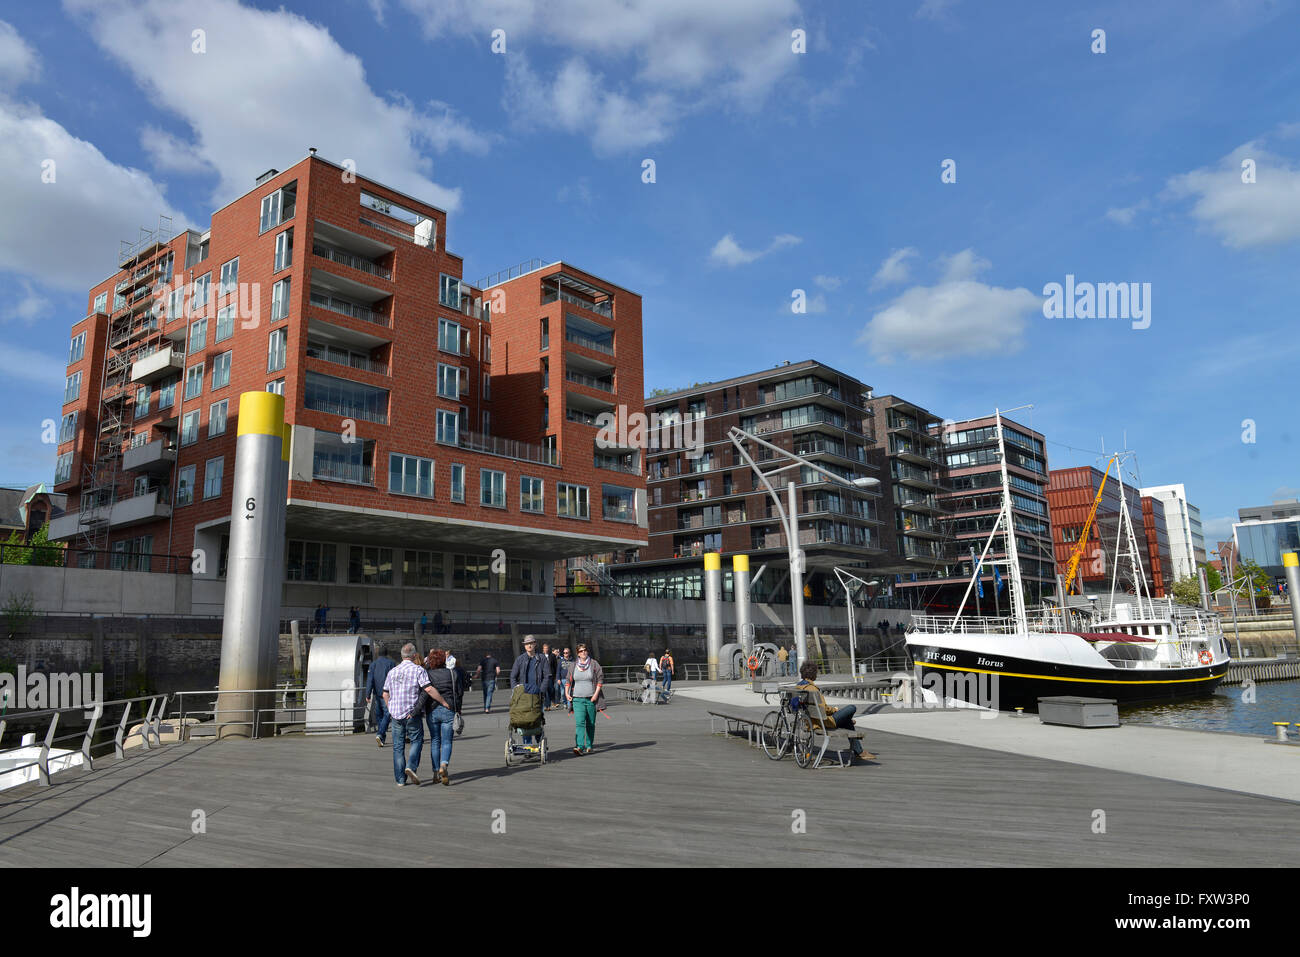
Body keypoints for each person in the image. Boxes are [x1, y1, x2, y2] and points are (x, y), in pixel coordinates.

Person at [382, 643, 450, 787]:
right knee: (417, 740)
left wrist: (390, 709)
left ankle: (400, 780)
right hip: (412, 713)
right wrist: (443, 701)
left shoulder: (392, 672)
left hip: (396, 715)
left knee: (398, 747)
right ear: (414, 656)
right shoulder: (418, 670)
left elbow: (385, 694)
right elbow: (429, 689)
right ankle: (411, 766)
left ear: (401, 655)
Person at [796, 661, 870, 764]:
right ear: (813, 674)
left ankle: (859, 751)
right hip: (823, 722)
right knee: (851, 708)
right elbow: (823, 710)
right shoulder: (812, 689)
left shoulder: (798, 687)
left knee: (847, 720)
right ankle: (859, 751)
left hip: (809, 722)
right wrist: (834, 710)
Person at [423, 649, 458, 786]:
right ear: (444, 660)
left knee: (435, 741)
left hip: (432, 711)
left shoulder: (427, 674)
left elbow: (425, 692)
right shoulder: (451, 673)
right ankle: (444, 765)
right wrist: (457, 708)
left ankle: (435, 772)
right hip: (448, 708)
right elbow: (458, 692)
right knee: (447, 741)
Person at [565, 643, 605, 755]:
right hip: (577, 699)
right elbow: (568, 680)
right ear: (577, 653)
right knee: (579, 722)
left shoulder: (594, 664)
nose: (583, 652)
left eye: (585, 650)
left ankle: (589, 745)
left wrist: (596, 695)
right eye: (581, 651)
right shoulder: (573, 665)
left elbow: (600, 680)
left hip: (591, 698)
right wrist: (567, 693)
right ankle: (579, 746)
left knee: (591, 723)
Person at [510, 636, 550, 743]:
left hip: (538, 695)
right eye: (527, 644)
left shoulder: (542, 659)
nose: (529, 645)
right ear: (524, 645)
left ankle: (539, 742)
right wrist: (516, 690)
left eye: (531, 643)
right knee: (525, 720)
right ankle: (527, 745)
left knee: (537, 719)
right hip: (524, 696)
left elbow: (547, 676)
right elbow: (513, 677)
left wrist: (541, 690)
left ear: (535, 644)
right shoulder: (520, 659)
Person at [365, 642, 396, 747]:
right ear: (387, 653)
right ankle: (380, 734)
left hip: (377, 693)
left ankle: (381, 735)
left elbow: (370, 680)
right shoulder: (391, 663)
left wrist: (368, 694)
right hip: (388, 693)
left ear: (378, 654)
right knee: (388, 713)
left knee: (379, 715)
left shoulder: (373, 664)